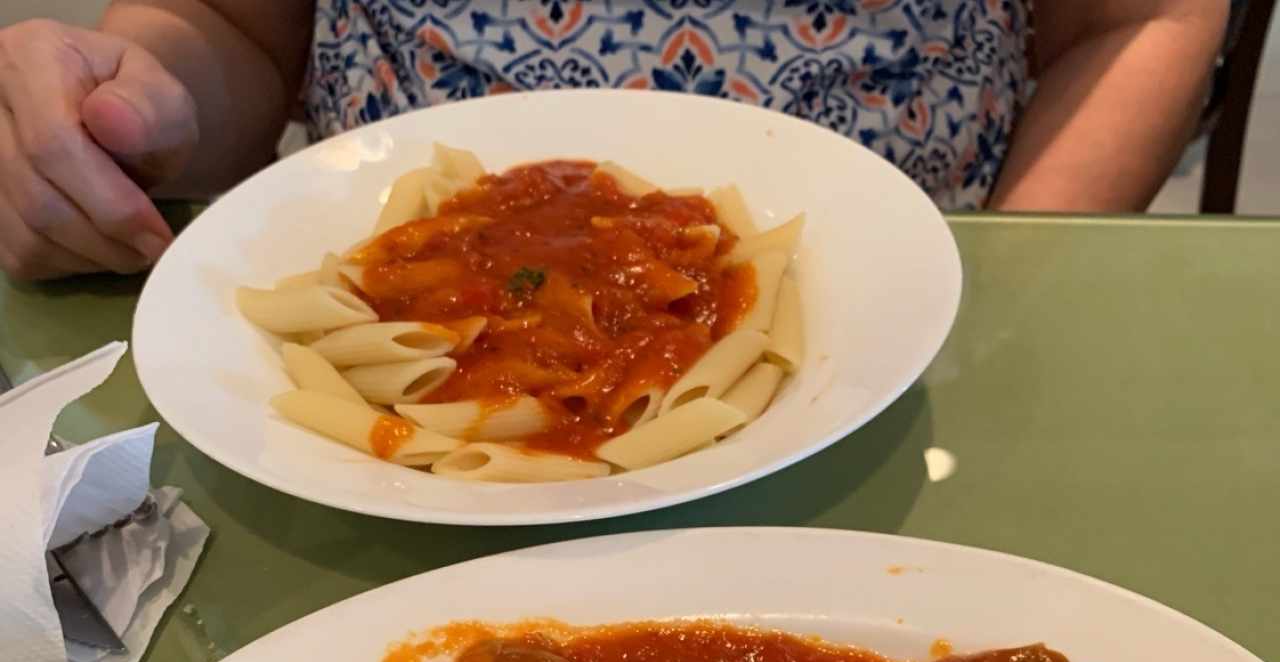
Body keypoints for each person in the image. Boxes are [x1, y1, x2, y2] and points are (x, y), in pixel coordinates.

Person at [0, 1, 1228, 281]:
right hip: (410, 307)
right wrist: (132, 110)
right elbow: (230, 26)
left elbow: (1135, 19)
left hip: (903, 304)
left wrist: (1003, 275)